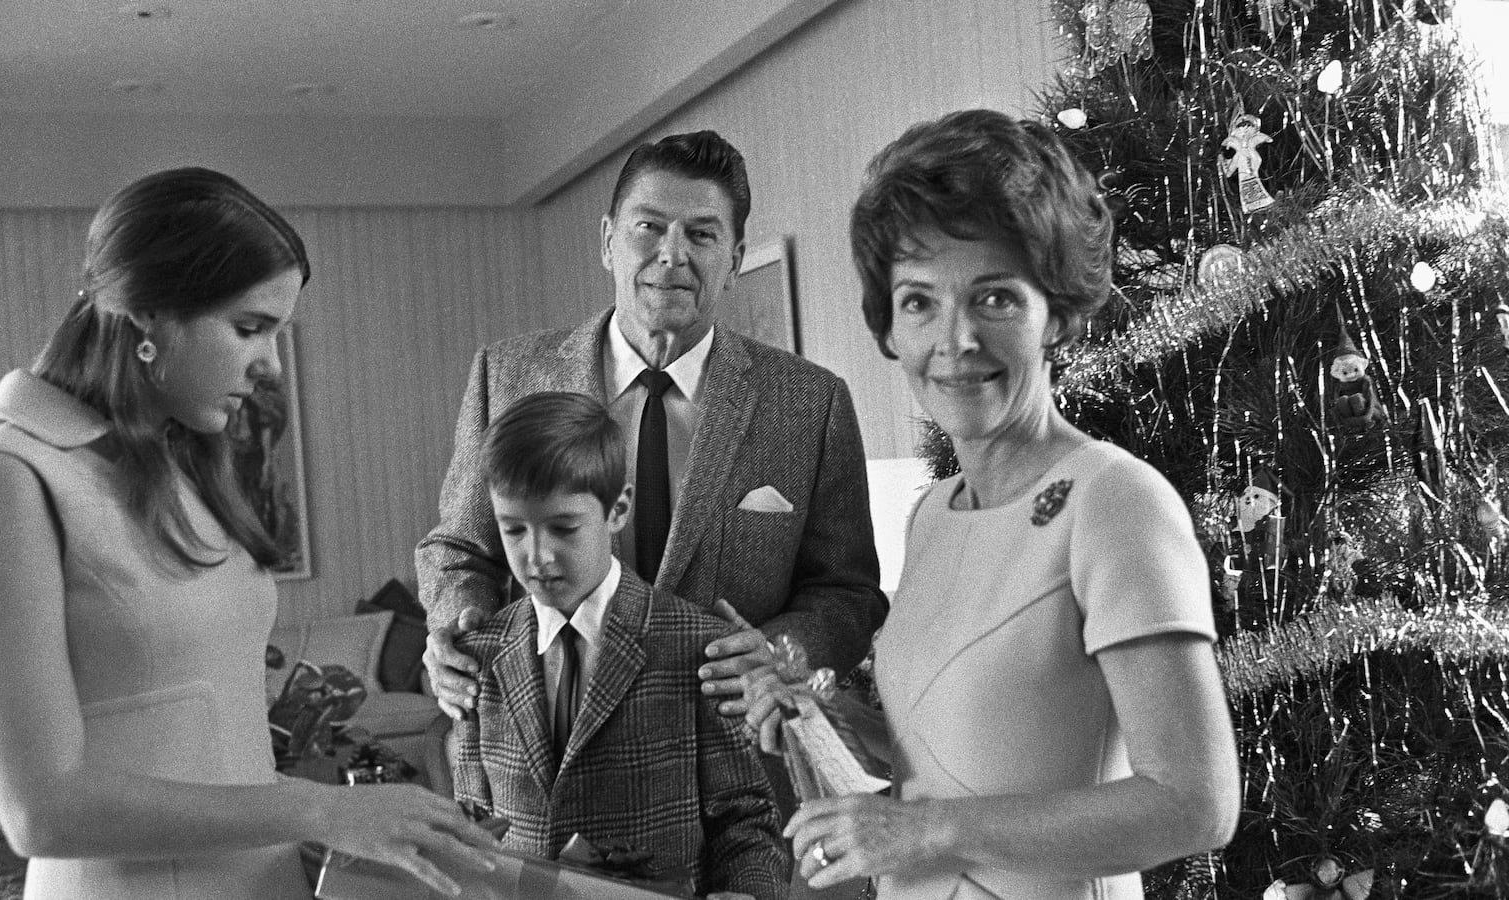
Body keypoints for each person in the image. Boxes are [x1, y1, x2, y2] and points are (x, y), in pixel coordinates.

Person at [0, 168, 497, 900]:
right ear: (149, 318)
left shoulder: (178, 467)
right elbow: (41, 811)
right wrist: (321, 810)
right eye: (250, 328)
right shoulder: (4, 484)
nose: (269, 366)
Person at [743, 109, 1241, 900]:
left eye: (996, 298)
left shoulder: (1115, 501)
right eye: (919, 301)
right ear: (888, 326)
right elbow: (948, 760)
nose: (955, 339)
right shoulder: (932, 513)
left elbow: (1196, 804)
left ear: (1058, 313)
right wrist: (826, 723)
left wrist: (928, 832)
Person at [417, 130, 888, 723]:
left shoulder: (809, 403)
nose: (672, 253)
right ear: (609, 241)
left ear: (735, 260)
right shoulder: (507, 379)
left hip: (736, 759)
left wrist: (781, 653)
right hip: (553, 748)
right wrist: (461, 625)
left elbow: (848, 595)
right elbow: (460, 549)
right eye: (649, 227)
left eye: (702, 233)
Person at [449, 391, 789, 900]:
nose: (536, 556)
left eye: (563, 527)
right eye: (513, 529)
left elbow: (745, 822)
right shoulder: (477, 656)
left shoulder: (701, 646)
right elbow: (472, 824)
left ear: (618, 510)